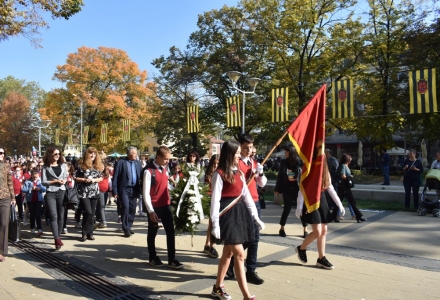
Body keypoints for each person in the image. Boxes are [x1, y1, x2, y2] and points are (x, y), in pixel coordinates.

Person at [210, 139, 265, 300]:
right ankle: (247, 296)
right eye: (237, 154)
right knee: (239, 254)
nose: (239, 156)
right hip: (227, 215)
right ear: (229, 154)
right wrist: (215, 224)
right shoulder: (219, 174)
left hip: (240, 214)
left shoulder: (239, 173)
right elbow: (215, 201)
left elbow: (246, 197)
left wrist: (255, 217)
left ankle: (217, 288)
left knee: (227, 254)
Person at [295, 160, 346, 269]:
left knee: (323, 231)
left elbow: (330, 187)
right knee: (317, 231)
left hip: (321, 199)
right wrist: (299, 206)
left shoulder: (324, 170)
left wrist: (339, 203)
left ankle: (321, 258)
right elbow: (302, 189)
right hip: (310, 200)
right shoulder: (308, 168)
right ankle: (301, 248)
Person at [233, 133, 267, 285]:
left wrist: (260, 173)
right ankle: (231, 260)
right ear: (240, 147)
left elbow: (261, 184)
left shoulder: (254, 162)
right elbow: (236, 185)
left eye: (251, 147)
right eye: (245, 147)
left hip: (255, 202)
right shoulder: (235, 163)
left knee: (255, 236)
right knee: (245, 237)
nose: (248, 150)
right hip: (241, 203)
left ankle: (251, 270)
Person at [142, 146, 183, 269]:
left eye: (169, 159)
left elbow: (165, 185)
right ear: (158, 157)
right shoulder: (148, 171)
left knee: (170, 232)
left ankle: (172, 258)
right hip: (154, 207)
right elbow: (145, 193)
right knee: (152, 232)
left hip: (166, 205)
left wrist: (178, 191)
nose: (168, 161)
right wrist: (150, 211)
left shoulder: (165, 169)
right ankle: (152, 257)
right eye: (165, 159)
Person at [275, 144, 308, 237]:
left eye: (286, 152)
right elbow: (280, 176)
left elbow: (305, 175)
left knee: (301, 208)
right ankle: (282, 229)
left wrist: (297, 179)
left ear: (291, 152)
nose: (285, 153)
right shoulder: (283, 162)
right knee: (287, 209)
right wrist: (277, 189)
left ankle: (305, 229)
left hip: (298, 189)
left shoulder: (300, 162)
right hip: (287, 188)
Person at [75, 147, 104, 241]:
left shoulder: (98, 165)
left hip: (94, 191)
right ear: (87, 154)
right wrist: (84, 180)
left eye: (95, 154)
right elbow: (75, 177)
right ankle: (84, 232)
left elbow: (101, 178)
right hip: (84, 192)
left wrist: (94, 180)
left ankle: (89, 233)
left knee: (92, 214)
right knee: (88, 211)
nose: (93, 155)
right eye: (91, 153)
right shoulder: (81, 165)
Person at [42, 147, 68, 250]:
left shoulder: (63, 165)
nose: (57, 156)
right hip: (50, 193)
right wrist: (55, 181)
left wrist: (64, 181)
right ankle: (56, 238)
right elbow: (44, 181)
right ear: (50, 155)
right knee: (53, 215)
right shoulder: (45, 167)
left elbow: (66, 176)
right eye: (55, 154)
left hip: (61, 191)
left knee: (61, 216)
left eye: (58, 154)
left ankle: (59, 237)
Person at [112, 146, 142, 237]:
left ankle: (129, 226)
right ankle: (125, 228)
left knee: (132, 208)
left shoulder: (138, 163)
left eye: (136, 153)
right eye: (134, 154)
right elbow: (116, 177)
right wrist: (115, 191)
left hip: (134, 189)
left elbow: (141, 176)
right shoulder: (121, 162)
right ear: (128, 154)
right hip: (124, 189)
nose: (135, 155)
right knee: (125, 207)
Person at [333, 154, 366, 223]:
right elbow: (343, 176)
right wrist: (350, 177)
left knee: (342, 201)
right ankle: (358, 216)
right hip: (343, 187)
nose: (351, 160)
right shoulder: (343, 166)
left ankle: (333, 216)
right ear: (347, 160)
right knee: (350, 201)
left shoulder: (346, 166)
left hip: (345, 187)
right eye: (350, 159)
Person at [202, 154, 220, 258]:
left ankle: (207, 244)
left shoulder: (220, 172)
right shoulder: (207, 173)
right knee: (212, 222)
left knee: (212, 223)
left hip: (217, 199)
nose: (216, 165)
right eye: (214, 163)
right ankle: (211, 246)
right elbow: (204, 186)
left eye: (217, 163)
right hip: (209, 198)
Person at [0, 146, 16, 262]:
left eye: (2, 153)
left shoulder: (6, 165)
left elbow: (10, 182)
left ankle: (1, 251)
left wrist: (13, 197)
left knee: (4, 223)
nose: (1, 154)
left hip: (4, 197)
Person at [22, 170, 46, 236]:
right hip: (30, 199)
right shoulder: (27, 182)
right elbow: (23, 189)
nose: (35, 178)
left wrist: (40, 188)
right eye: (34, 177)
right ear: (32, 176)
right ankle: (32, 227)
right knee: (32, 214)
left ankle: (39, 228)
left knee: (38, 213)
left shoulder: (40, 181)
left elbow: (44, 188)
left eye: (36, 177)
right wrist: (31, 188)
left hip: (38, 199)